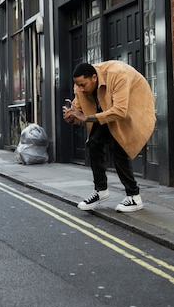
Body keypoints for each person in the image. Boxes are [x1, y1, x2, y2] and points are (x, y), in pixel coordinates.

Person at [63, 60, 156, 213]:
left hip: (134, 108)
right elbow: (77, 109)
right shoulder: (81, 85)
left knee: (118, 146)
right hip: (105, 111)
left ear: (94, 77)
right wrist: (71, 116)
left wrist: (86, 118)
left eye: (83, 85)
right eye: (77, 85)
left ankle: (134, 196)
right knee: (93, 143)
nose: (80, 89)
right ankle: (101, 191)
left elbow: (120, 111)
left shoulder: (117, 73)